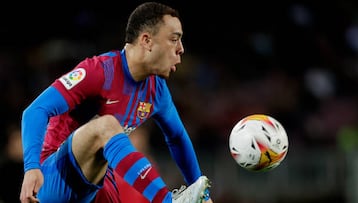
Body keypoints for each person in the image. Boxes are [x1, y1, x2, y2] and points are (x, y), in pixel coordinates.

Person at [19, 2, 213, 203]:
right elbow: (35, 111)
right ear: (146, 40)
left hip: (98, 186)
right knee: (107, 125)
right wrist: (31, 167)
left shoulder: (157, 90)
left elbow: (178, 137)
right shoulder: (99, 72)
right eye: (174, 39)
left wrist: (202, 194)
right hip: (54, 180)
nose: (181, 49)